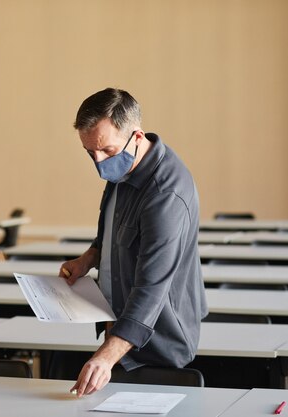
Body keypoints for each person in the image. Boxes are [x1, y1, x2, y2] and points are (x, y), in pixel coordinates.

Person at [59, 87, 207, 397]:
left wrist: (107, 356)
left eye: (107, 151)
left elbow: (152, 287)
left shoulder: (165, 193)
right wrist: (88, 258)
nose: (99, 163)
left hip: (157, 345)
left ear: (136, 137)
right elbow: (113, 232)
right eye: (90, 152)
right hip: (120, 336)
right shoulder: (123, 169)